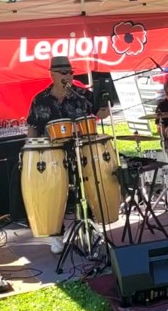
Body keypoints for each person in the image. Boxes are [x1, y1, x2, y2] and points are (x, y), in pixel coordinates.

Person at [25, 55, 110, 253]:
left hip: (81, 150)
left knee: (86, 188)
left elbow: (101, 114)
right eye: (63, 73)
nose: (68, 76)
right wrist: (30, 150)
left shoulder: (82, 95)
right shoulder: (40, 100)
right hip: (53, 155)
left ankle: (89, 228)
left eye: (71, 72)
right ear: (52, 75)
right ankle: (56, 234)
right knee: (55, 194)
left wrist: (103, 100)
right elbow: (32, 128)